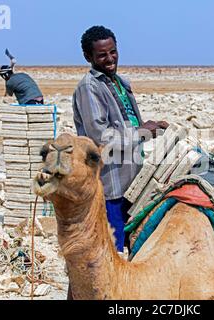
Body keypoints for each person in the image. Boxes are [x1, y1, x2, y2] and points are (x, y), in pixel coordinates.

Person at [72, 26, 168, 254]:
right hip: (111, 185)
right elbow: (100, 136)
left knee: (135, 248)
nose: (110, 59)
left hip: (132, 181)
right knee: (112, 254)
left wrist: (149, 127)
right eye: (102, 55)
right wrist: (143, 132)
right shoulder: (89, 87)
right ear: (88, 57)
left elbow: (129, 124)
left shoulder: (119, 82)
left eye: (113, 52)